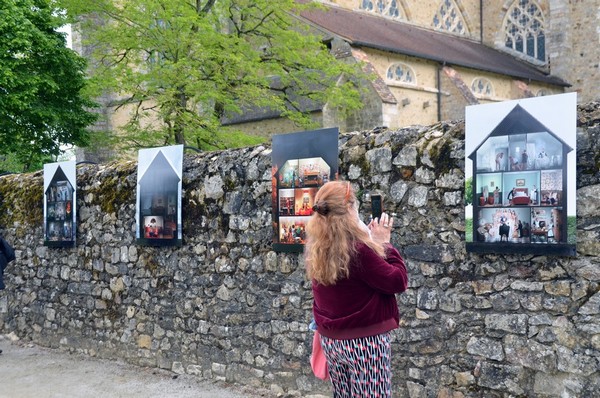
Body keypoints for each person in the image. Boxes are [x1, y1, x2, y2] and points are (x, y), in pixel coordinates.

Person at [304, 181, 408, 397]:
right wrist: (384, 244)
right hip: (364, 343)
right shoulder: (358, 250)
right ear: (349, 209)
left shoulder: (318, 246)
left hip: (332, 341)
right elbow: (397, 281)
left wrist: (370, 241)